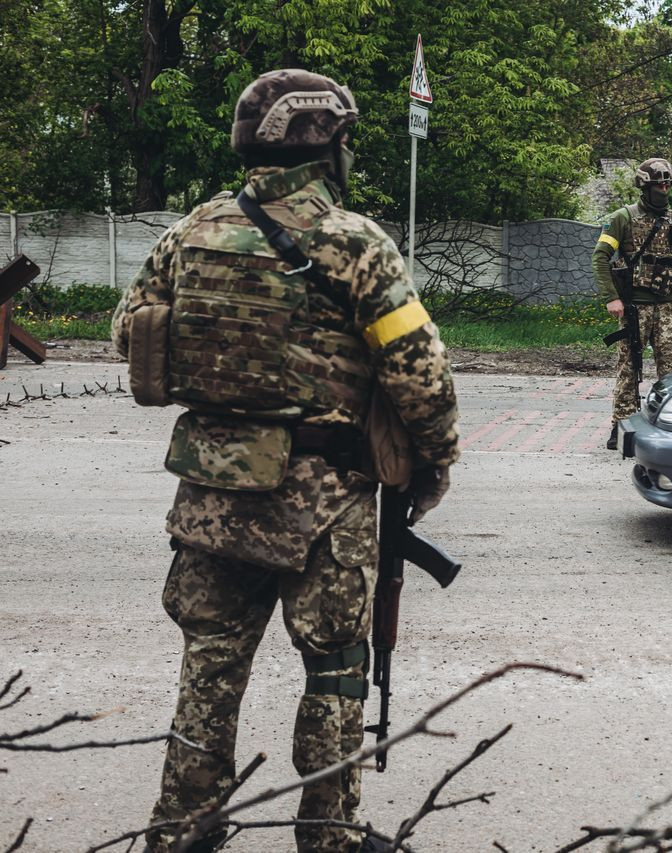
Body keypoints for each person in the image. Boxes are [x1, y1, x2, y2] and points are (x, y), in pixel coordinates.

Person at [111, 69, 460, 853]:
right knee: (335, 672)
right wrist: (435, 460)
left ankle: (183, 830)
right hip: (324, 500)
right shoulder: (354, 241)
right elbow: (420, 372)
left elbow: (130, 334)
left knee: (209, 666)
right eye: (343, 139)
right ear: (325, 146)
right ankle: (329, 835)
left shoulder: (190, 231)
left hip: (211, 495)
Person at [593, 157, 672, 449]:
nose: (665, 188)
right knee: (629, 368)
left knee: (670, 371)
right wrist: (612, 298)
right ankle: (621, 428)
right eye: (659, 183)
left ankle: (668, 428)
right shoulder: (622, 218)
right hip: (635, 308)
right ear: (645, 185)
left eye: (668, 183)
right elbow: (601, 257)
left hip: (668, 309)